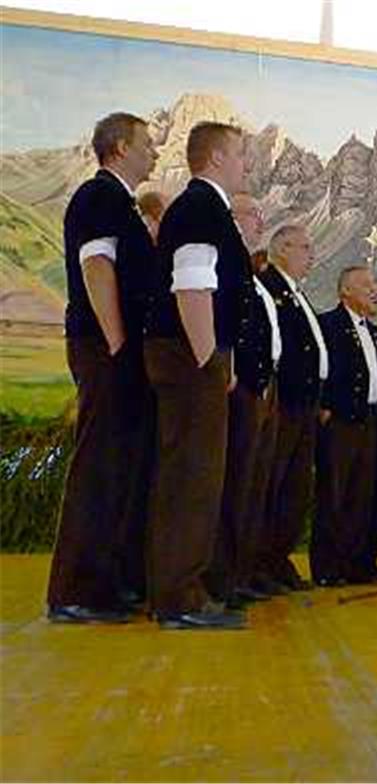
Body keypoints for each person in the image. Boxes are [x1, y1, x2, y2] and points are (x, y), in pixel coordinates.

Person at [47, 112, 158, 624]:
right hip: (104, 349)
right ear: (120, 147)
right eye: (147, 143)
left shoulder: (121, 202)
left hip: (118, 351)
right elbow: (96, 266)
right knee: (99, 467)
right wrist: (116, 340)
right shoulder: (99, 197)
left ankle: (110, 582)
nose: (154, 152)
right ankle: (76, 591)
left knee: (121, 467)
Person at [142, 121, 251, 629]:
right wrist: (209, 361)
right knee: (193, 478)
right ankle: (180, 599)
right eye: (240, 154)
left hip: (189, 355)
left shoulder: (201, 207)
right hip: (190, 358)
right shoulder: (202, 207)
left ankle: (179, 590)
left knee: (191, 475)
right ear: (216, 158)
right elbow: (191, 285)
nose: (246, 164)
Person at [204, 192, 282, 608]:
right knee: (232, 484)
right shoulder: (227, 266)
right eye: (253, 214)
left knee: (250, 486)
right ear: (233, 219)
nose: (260, 222)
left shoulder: (253, 277)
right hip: (238, 388)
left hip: (260, 389)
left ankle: (240, 571)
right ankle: (220, 578)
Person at [258, 225, 327, 592]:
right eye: (304, 247)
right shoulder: (270, 288)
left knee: (295, 488)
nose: (311, 255)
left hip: (305, 405)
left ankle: (278, 559)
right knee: (274, 482)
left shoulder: (296, 293)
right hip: (284, 402)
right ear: (282, 249)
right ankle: (259, 563)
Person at [312, 266, 377, 586]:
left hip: (368, 421)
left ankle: (355, 562)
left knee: (361, 495)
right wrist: (325, 408)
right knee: (334, 493)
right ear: (345, 291)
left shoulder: (373, 330)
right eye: (367, 285)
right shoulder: (330, 324)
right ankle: (327, 566)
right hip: (340, 421)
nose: (375, 290)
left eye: (375, 284)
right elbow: (321, 368)